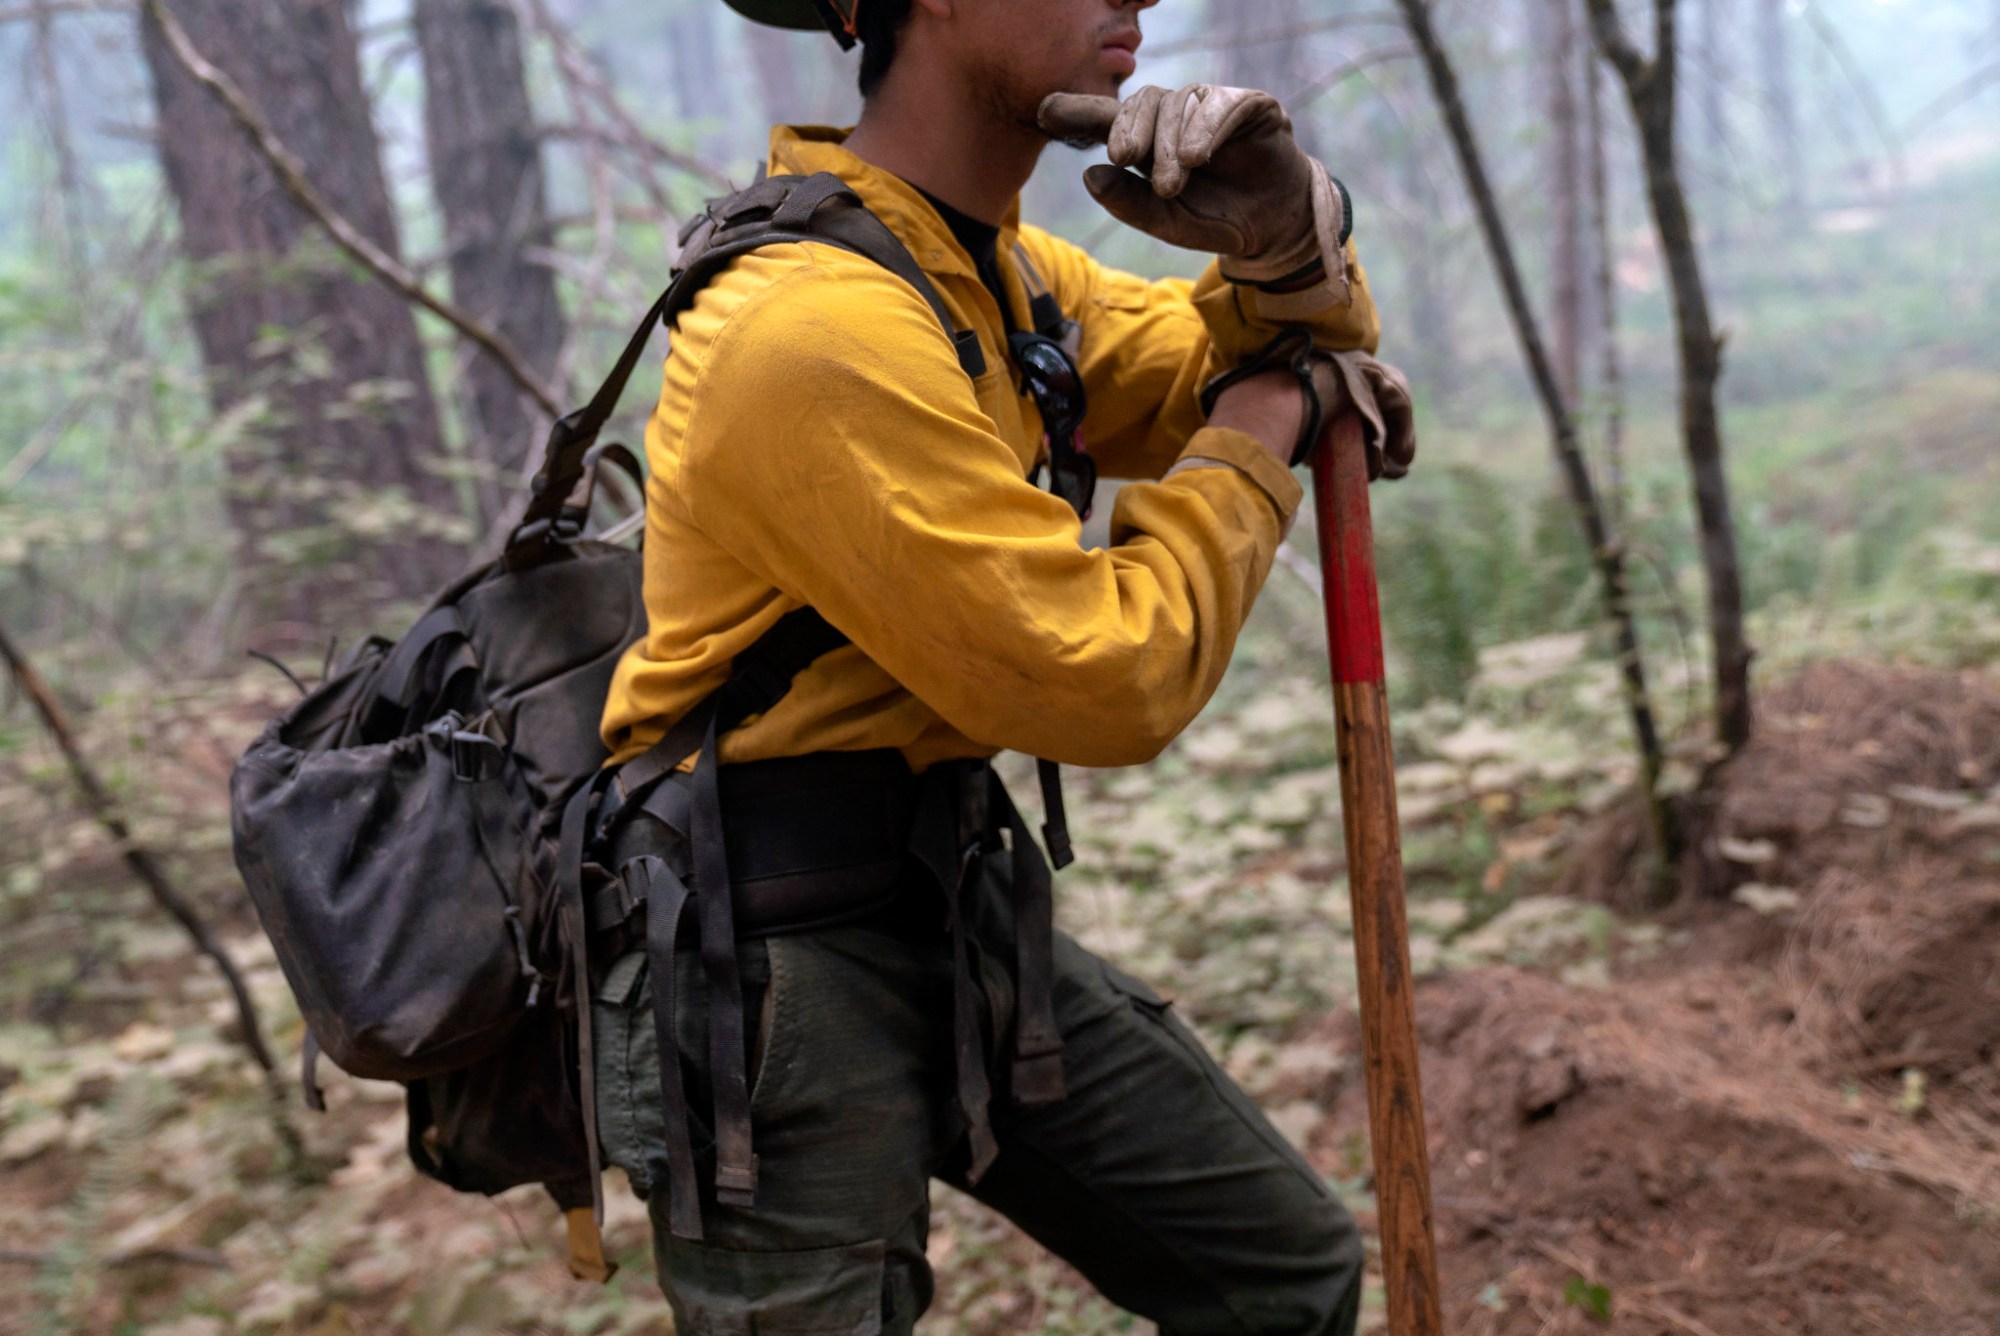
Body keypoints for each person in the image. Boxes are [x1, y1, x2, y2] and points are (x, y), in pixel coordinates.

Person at [590, 1, 1412, 1331]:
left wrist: (1285, 240)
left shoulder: (997, 274)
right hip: (756, 957)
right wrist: (1263, 424)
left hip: (950, 889)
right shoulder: (808, 326)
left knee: (1282, 1275)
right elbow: (1106, 674)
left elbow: (1281, 345)